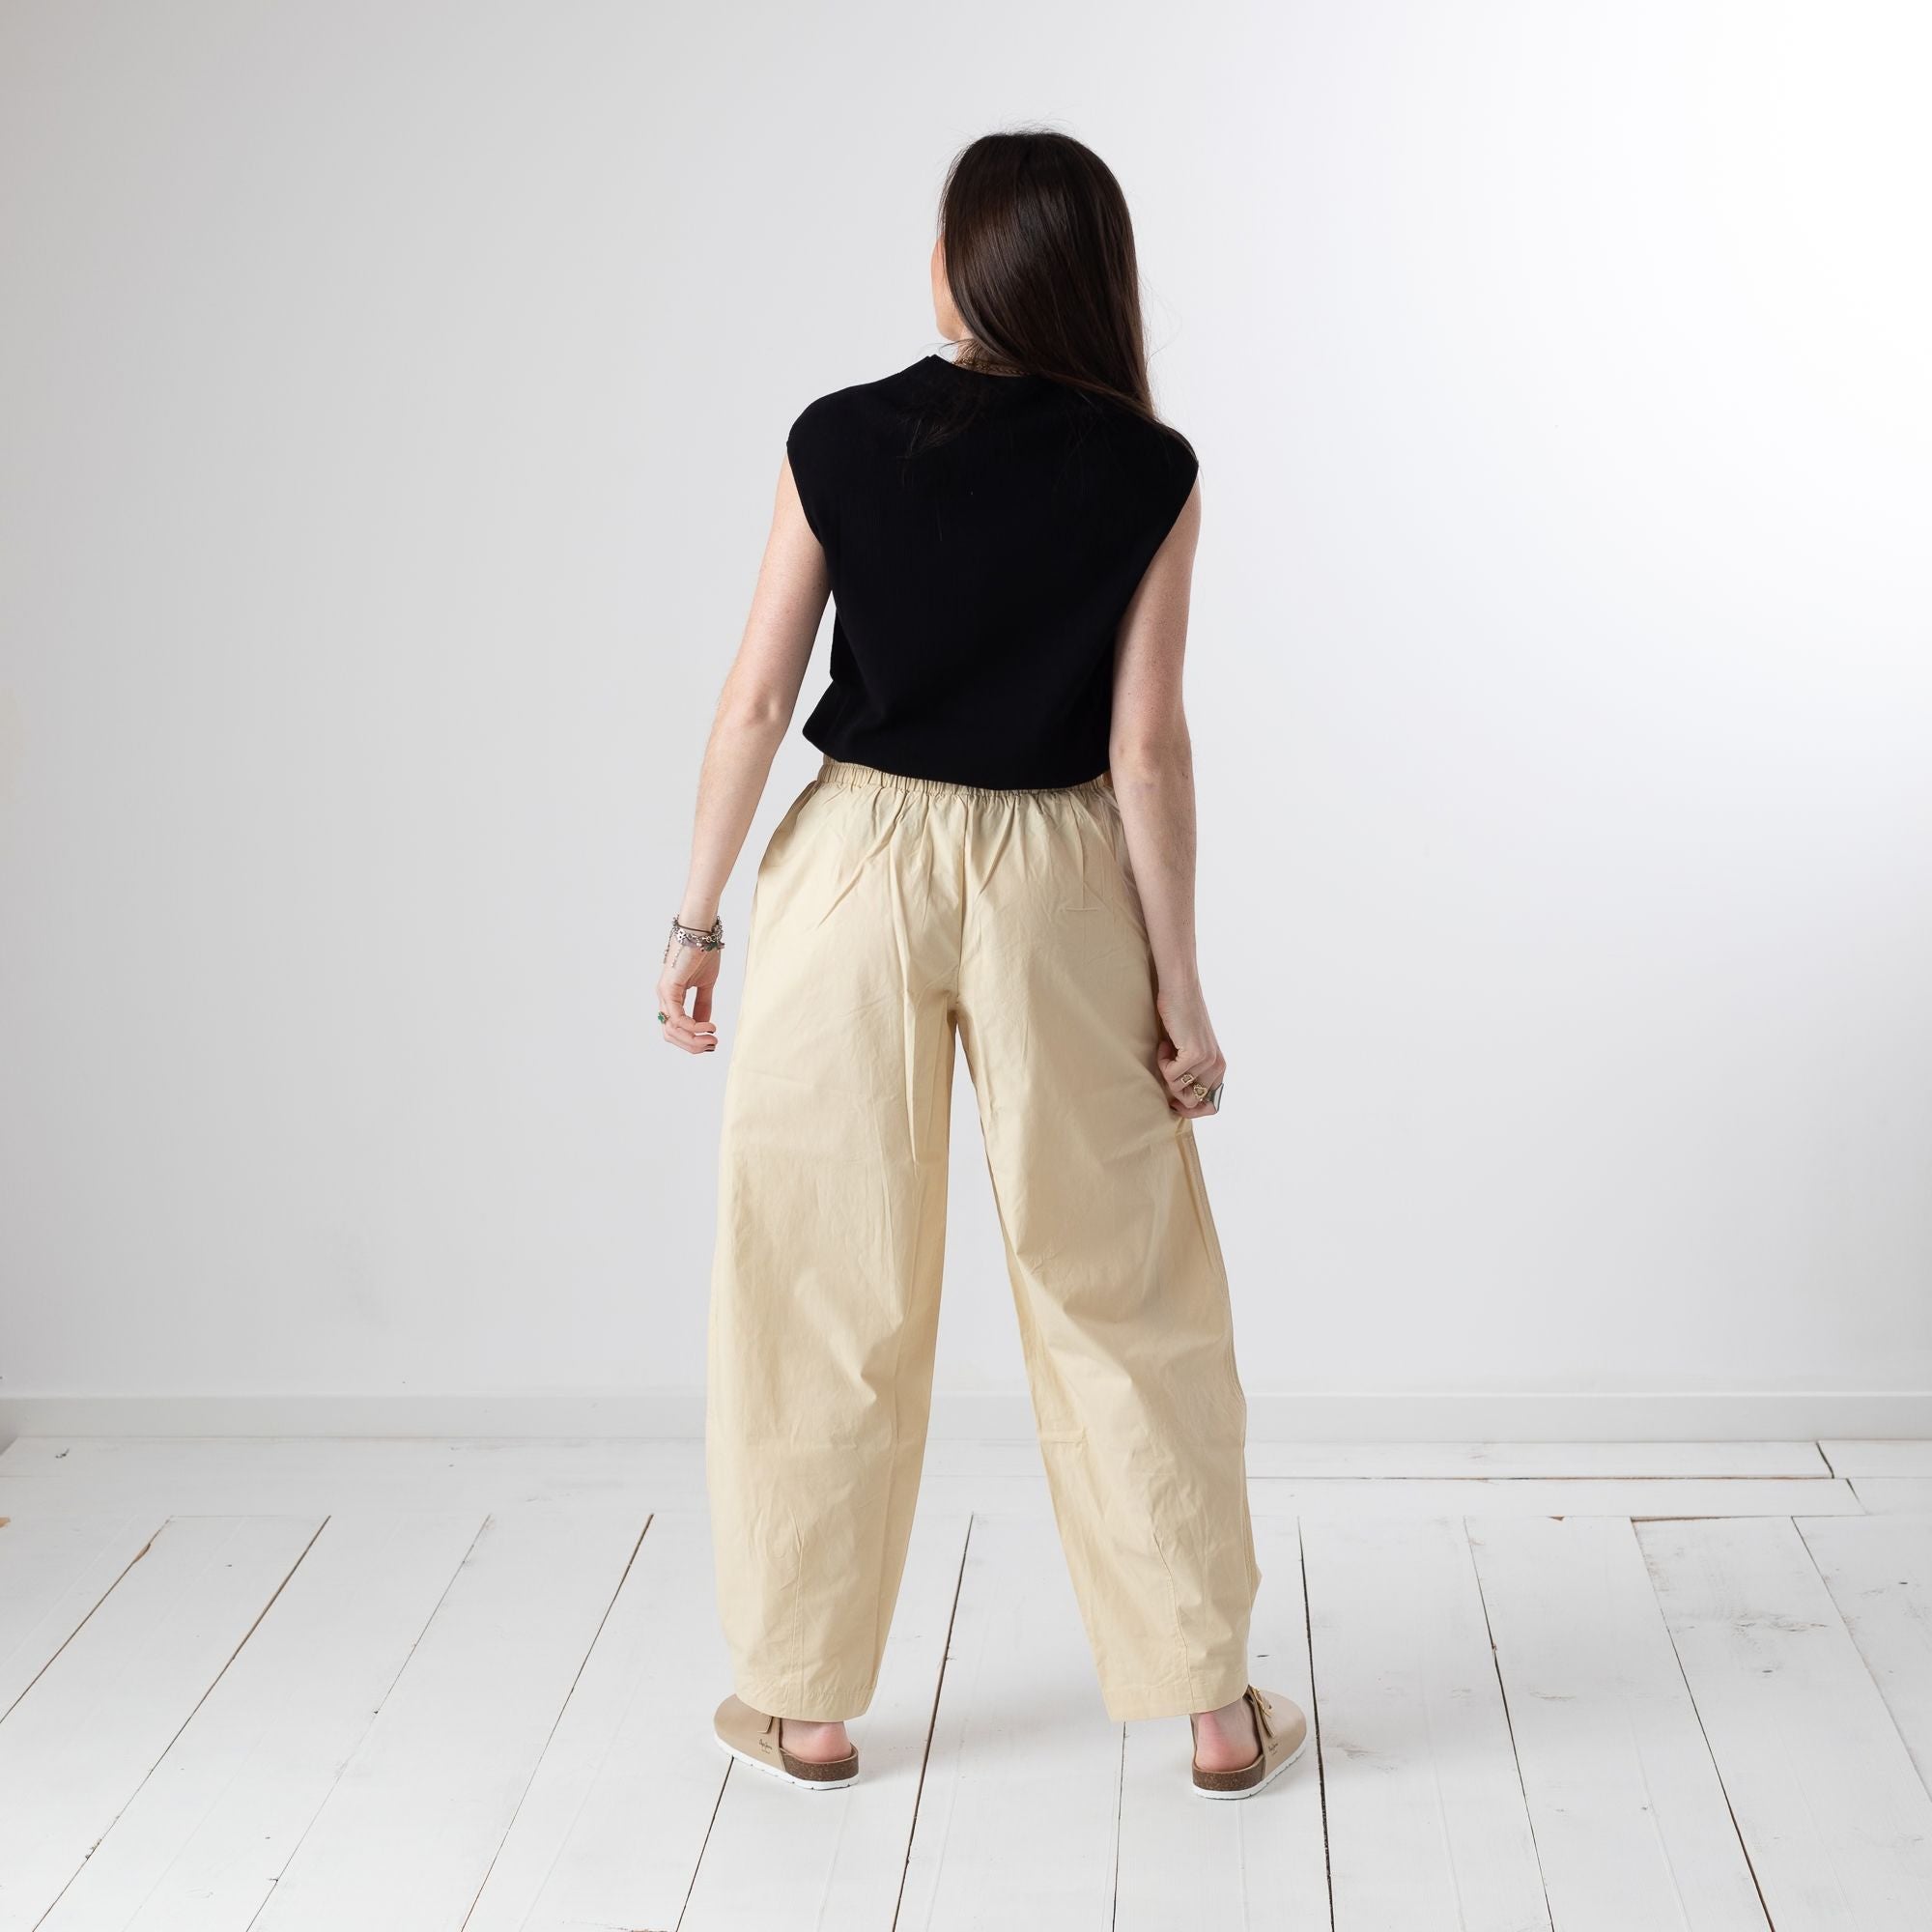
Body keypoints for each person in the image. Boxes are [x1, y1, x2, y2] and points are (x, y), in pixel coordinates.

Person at [659, 127, 1308, 1801]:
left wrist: (697, 916)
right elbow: (1145, 748)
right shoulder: (1148, 468)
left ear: (961, 265)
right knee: (1122, 1284)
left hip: (853, 871)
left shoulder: (835, 436)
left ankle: (806, 1702)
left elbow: (755, 699)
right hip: (1058, 881)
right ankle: (1210, 1704)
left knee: (820, 1280)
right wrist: (1182, 988)